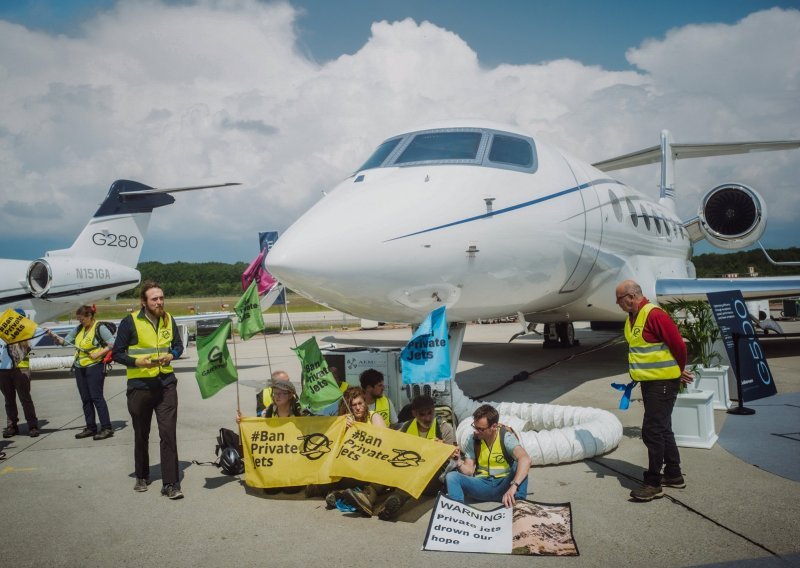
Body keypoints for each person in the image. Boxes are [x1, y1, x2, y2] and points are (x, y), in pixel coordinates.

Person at [615, 279, 693, 502]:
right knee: (663, 429)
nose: (617, 303)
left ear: (631, 297)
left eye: (619, 299)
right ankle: (674, 474)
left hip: (663, 384)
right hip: (650, 383)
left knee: (652, 431)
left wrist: (678, 371)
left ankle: (653, 483)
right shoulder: (632, 317)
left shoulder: (655, 314)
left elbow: (678, 345)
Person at [112, 281, 184, 500]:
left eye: (161, 298)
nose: (159, 302)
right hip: (140, 387)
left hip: (166, 384)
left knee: (168, 434)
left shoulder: (169, 319)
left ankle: (171, 483)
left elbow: (178, 346)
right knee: (142, 433)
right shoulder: (129, 322)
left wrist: (172, 355)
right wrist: (137, 362)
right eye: (154, 299)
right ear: (144, 302)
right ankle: (142, 475)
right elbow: (117, 353)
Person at [373, 395, 457, 521]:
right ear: (414, 414)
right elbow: (393, 446)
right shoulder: (406, 427)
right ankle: (369, 496)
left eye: (430, 413)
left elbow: (453, 460)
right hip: (409, 470)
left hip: (435, 478)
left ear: (434, 410)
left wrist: (443, 449)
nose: (427, 418)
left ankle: (397, 498)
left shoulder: (445, 429)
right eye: (422, 415)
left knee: (415, 473)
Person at [445, 404, 531, 508]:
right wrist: (458, 462)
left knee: (521, 464)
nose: (476, 431)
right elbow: (469, 471)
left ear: (493, 427)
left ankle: (519, 505)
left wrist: (514, 486)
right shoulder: (472, 440)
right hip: (481, 486)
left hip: (505, 486)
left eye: (481, 429)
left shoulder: (506, 437)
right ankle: (456, 510)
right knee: (452, 477)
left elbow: (526, 459)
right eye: (475, 427)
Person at [323, 387, 385, 511]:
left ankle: (363, 497)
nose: (357, 408)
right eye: (353, 405)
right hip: (351, 468)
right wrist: (344, 429)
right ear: (348, 407)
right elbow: (334, 448)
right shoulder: (344, 421)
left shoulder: (374, 417)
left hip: (372, 467)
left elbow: (384, 442)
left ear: (365, 403)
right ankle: (340, 494)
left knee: (382, 473)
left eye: (360, 403)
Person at [60, 306, 115, 440]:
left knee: (96, 397)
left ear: (89, 316)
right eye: (78, 320)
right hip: (80, 366)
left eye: (82, 319)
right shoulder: (79, 328)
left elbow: (112, 344)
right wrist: (55, 337)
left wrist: (98, 353)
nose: (80, 322)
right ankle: (91, 427)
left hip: (94, 366)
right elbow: (64, 342)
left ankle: (107, 428)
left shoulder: (99, 327)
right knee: (85, 399)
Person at [1, 312, 39, 438]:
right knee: (9, 399)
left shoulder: (26, 333)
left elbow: (28, 346)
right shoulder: (2, 331)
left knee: (25, 398)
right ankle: (12, 425)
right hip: (3, 369)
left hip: (21, 369)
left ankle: (32, 425)